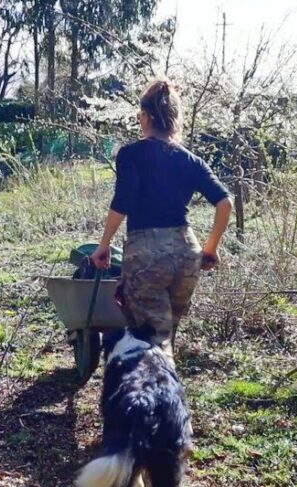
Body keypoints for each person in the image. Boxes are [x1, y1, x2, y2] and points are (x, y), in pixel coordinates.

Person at [91, 78, 233, 356]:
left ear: (144, 117)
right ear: (175, 119)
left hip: (147, 255)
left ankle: (152, 394)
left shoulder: (130, 154)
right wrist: (211, 248)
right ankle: (164, 393)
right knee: (166, 339)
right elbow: (225, 202)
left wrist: (104, 244)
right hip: (186, 254)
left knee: (149, 343)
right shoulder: (191, 160)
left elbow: (123, 201)